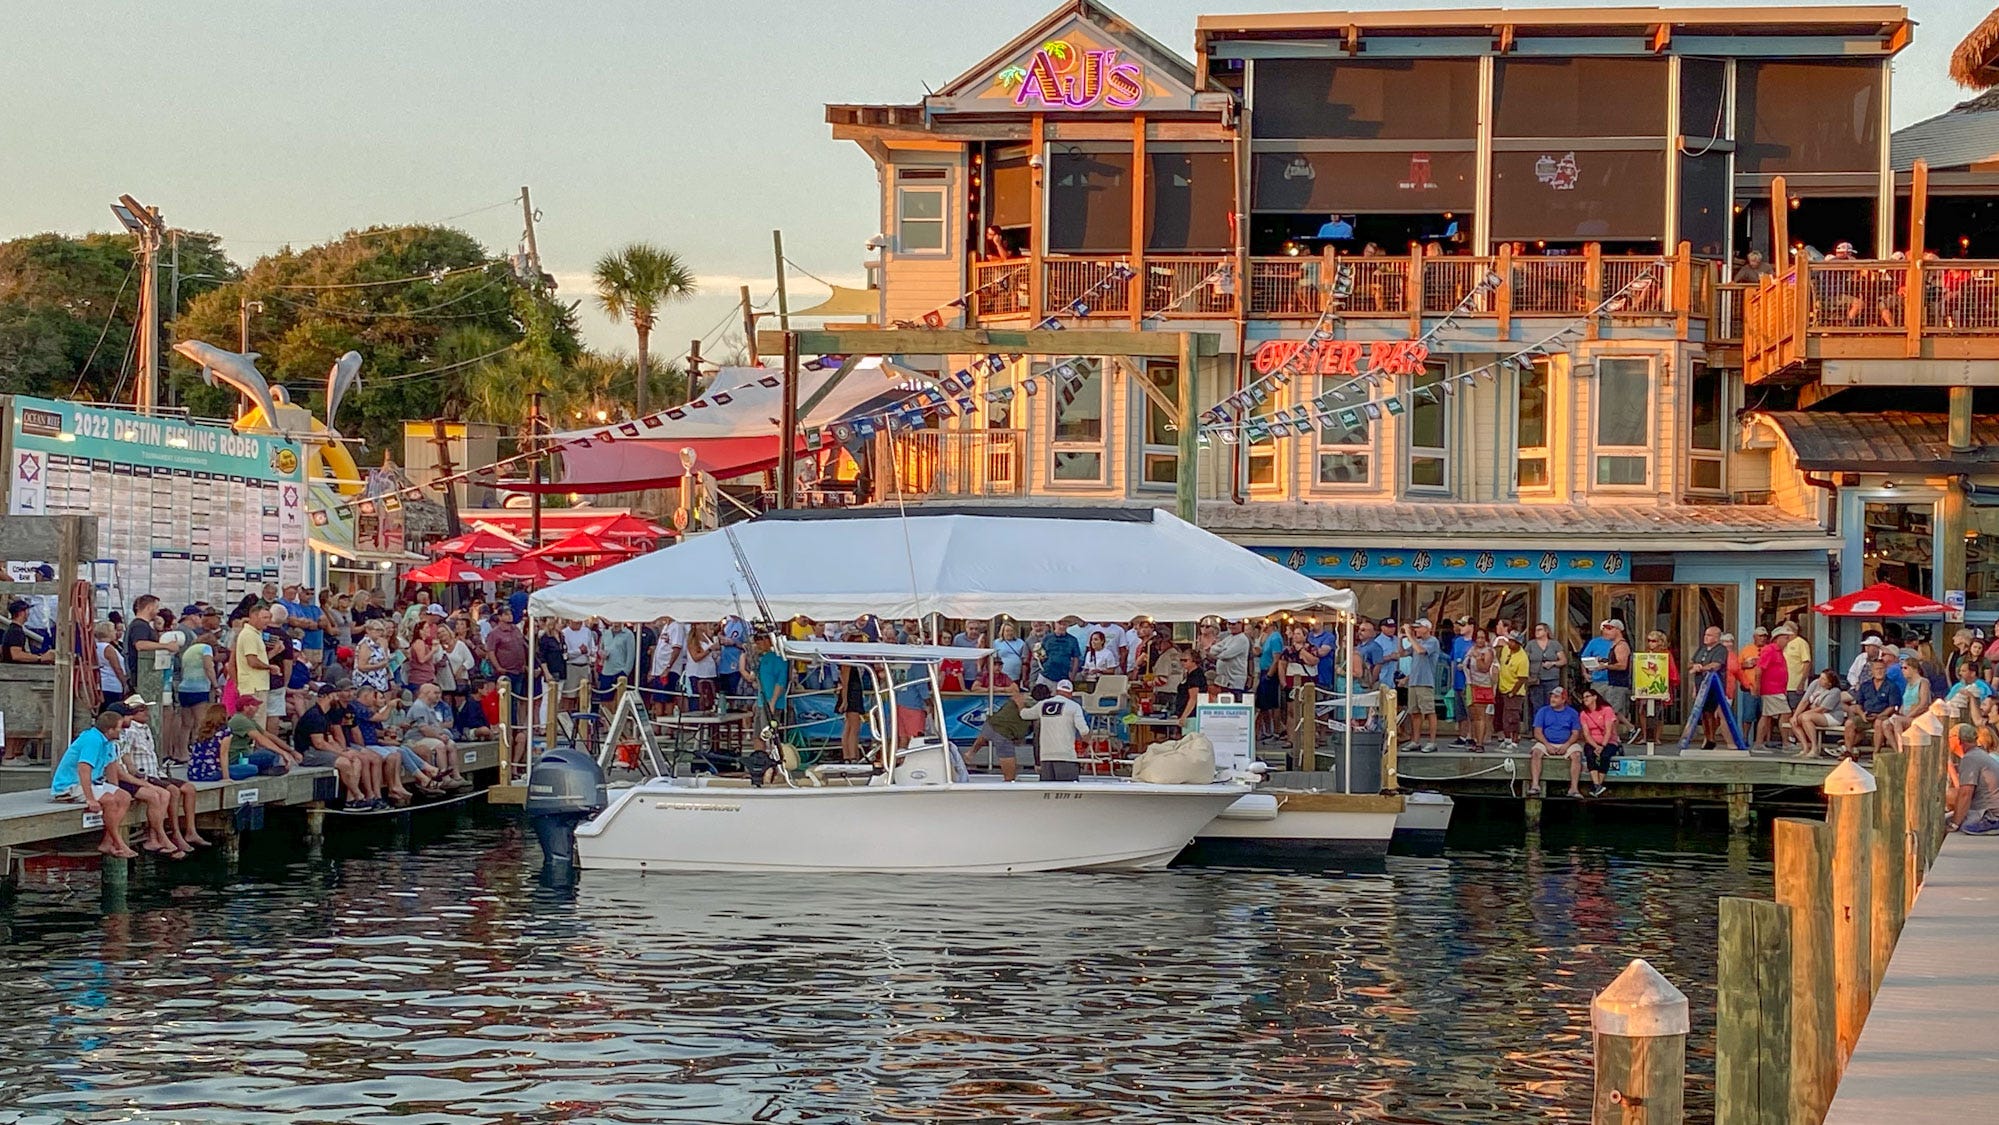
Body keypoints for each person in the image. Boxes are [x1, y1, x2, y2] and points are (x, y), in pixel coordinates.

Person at [111, 697, 206, 855]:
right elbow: (125, 758)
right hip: (141, 775)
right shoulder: (127, 731)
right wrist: (136, 774)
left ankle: (187, 831)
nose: (147, 713)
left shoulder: (144, 728)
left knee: (188, 788)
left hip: (154, 772)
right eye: (142, 710)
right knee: (168, 793)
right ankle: (167, 834)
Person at [50, 710, 139, 858]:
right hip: (70, 785)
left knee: (124, 796)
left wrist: (115, 789)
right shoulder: (93, 740)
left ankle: (107, 841)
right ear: (110, 730)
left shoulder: (109, 742)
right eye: (119, 728)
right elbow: (84, 769)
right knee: (109, 800)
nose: (122, 730)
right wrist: (90, 798)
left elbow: (111, 768)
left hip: (92, 782)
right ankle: (119, 843)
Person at [292, 683, 374, 809]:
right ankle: (359, 795)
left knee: (356, 760)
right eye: (334, 695)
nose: (336, 697)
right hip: (309, 753)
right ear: (326, 696)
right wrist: (341, 754)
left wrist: (343, 750)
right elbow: (318, 743)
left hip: (320, 750)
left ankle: (350, 800)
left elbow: (329, 739)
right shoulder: (315, 715)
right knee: (344, 763)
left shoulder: (325, 715)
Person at [970, 684, 1036, 782]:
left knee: (985, 735)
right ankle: (1009, 781)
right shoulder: (1032, 707)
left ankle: (971, 752)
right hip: (1003, 733)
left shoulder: (1018, 697)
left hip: (991, 723)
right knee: (1009, 766)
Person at [1527, 685, 1583, 798]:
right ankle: (1535, 785)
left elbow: (1575, 733)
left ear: (1563, 699)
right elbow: (1537, 732)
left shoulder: (1572, 713)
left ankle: (1574, 788)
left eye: (1556, 697)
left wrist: (1567, 745)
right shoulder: (1543, 711)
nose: (1552, 699)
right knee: (1536, 753)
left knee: (1577, 755)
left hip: (1567, 742)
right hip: (1546, 742)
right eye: (1552, 696)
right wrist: (1547, 745)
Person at [1033, 680, 1090, 782]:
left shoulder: (1041, 709)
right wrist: (1088, 745)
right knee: (1068, 788)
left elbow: (1036, 740)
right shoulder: (1074, 707)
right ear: (1071, 694)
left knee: (1047, 790)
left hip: (1046, 758)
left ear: (1056, 692)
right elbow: (1084, 732)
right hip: (1066, 757)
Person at [1947, 724, 1999, 834]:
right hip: (1993, 808)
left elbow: (1965, 793)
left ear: (1958, 739)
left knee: (1946, 823)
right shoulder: (1979, 754)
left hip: (1989, 813)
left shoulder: (1970, 758)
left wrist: (1955, 824)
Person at [1399, 619, 1441, 753]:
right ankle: (1415, 741)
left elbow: (1421, 651)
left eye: (1418, 628)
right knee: (1415, 712)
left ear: (1427, 628)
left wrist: (1409, 635)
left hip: (1425, 682)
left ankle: (1432, 741)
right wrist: (1400, 639)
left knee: (1429, 711)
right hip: (1414, 682)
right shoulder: (1418, 641)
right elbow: (1402, 654)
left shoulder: (1432, 641)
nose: (1416, 630)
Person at [1688, 625, 1733, 749]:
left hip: (1714, 687)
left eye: (1709, 635)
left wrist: (1701, 667)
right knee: (1704, 713)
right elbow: (1691, 663)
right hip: (1700, 686)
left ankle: (1720, 739)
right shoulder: (1702, 649)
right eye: (1705, 635)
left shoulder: (1721, 650)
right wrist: (1695, 666)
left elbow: (1717, 664)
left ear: (1717, 637)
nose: (1705, 637)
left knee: (1715, 714)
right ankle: (1708, 738)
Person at [1845, 653, 1899, 756]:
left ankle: (1876, 753)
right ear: (1872, 671)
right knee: (1849, 723)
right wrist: (1862, 715)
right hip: (1866, 714)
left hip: (1882, 715)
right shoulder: (1865, 685)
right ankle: (1848, 751)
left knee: (1879, 723)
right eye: (1877, 669)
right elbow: (1858, 704)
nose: (1879, 671)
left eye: (1882, 669)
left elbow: (1892, 706)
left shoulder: (1892, 686)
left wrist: (1880, 715)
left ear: (1885, 670)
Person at [1575, 687, 1622, 798]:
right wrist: (1596, 746)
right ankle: (1597, 785)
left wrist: (1602, 746)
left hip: (1608, 741)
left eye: (1587, 697)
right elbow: (1586, 733)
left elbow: (1609, 730)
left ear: (1595, 697)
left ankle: (1597, 785)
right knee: (1590, 754)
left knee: (1605, 755)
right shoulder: (1583, 714)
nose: (1584, 699)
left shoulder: (1607, 710)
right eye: (1583, 698)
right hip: (1593, 742)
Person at [1790, 669, 1848, 758]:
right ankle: (1805, 748)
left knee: (1806, 718)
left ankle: (1814, 748)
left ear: (1829, 683)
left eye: (1823, 679)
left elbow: (1822, 709)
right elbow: (1804, 701)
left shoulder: (1835, 691)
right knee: (1793, 720)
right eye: (1820, 677)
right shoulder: (1815, 683)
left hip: (1832, 716)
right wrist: (1796, 715)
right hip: (1814, 713)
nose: (1820, 680)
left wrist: (1803, 714)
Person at [1754, 626, 1793, 749]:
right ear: (1777, 638)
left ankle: (1759, 743)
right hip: (1771, 689)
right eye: (1785, 638)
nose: (1787, 641)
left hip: (1776, 689)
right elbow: (1759, 669)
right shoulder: (1770, 650)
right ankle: (1785, 742)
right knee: (1785, 713)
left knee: (1767, 715)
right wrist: (1757, 686)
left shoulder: (1777, 651)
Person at [835, 633, 870, 764]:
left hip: (855, 692)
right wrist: (844, 700)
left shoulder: (855, 659)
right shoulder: (848, 660)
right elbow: (845, 681)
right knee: (853, 727)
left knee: (850, 727)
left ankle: (849, 755)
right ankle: (851, 756)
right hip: (851, 694)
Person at [1524, 622, 1565, 720]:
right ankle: (1538, 729)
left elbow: (1563, 660)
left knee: (1552, 704)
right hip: (1535, 679)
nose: (1536, 632)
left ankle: (1550, 727)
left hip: (1552, 679)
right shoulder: (1531, 644)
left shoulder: (1554, 644)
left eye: (1539, 630)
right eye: (1536, 630)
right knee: (1537, 705)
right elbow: (1524, 660)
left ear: (1546, 631)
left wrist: (1552, 663)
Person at [1495, 634, 1529, 751]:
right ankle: (1507, 739)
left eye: (1513, 642)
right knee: (1504, 717)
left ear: (1519, 644)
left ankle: (1515, 741)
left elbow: (1522, 678)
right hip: (1502, 688)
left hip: (1514, 691)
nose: (1510, 643)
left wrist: (1513, 692)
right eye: (1509, 640)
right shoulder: (1505, 649)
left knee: (1513, 717)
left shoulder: (1522, 658)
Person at [1209, 620, 1252, 695]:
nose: (1231, 626)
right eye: (1229, 624)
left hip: (1235, 682)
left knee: (1234, 704)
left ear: (1240, 624)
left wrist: (1220, 652)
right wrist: (1224, 649)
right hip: (1224, 681)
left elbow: (1226, 655)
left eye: (1233, 624)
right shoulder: (1229, 638)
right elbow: (1212, 649)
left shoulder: (1242, 639)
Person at [1036, 624, 1082, 690]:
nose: (1062, 626)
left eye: (1064, 624)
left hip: (1063, 678)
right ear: (1055, 624)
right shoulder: (1047, 638)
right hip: (1046, 676)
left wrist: (1072, 677)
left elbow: (1076, 659)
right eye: (1059, 623)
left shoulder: (1072, 640)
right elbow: (1040, 655)